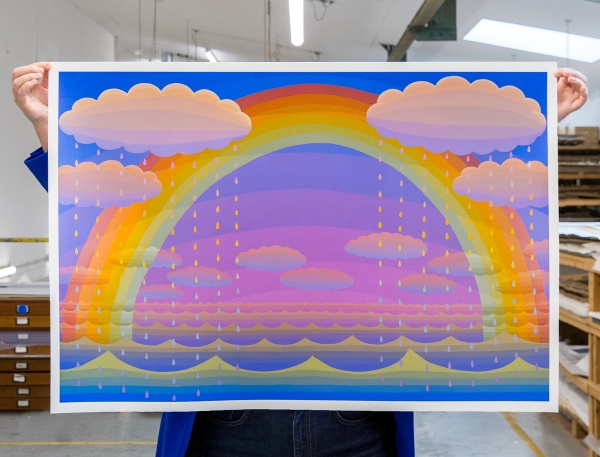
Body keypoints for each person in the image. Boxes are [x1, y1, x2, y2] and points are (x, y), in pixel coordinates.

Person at [12, 62, 588, 457]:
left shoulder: (384, 211)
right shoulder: (208, 208)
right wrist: (47, 126)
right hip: (225, 416)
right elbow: (101, 210)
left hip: (358, 419)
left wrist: (539, 125)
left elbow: (483, 199)